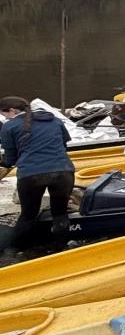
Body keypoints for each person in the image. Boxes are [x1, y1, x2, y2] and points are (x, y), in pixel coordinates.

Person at [0, 97, 75, 246]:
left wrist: (4, 164)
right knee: (60, 214)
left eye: (4, 114)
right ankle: (63, 247)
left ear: (12, 111)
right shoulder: (54, 120)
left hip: (31, 174)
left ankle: (15, 251)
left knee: (28, 215)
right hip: (63, 171)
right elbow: (64, 145)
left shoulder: (9, 127)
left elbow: (10, 159)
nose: (5, 118)